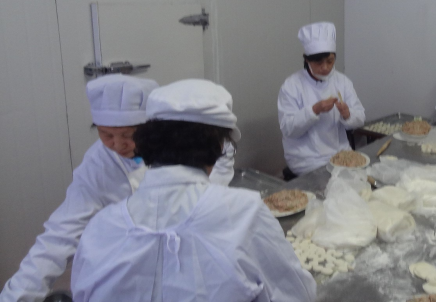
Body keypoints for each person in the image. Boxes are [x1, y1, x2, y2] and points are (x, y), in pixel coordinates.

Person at [71, 79, 315, 302]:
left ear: (146, 142)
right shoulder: (245, 213)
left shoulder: (99, 229)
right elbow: (296, 294)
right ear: (219, 146)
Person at [1, 75, 235, 302]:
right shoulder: (98, 164)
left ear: (151, 129)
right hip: (131, 262)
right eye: (106, 134)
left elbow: (217, 174)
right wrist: (17, 295)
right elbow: (59, 235)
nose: (118, 144)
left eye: (128, 135)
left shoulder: (185, 147)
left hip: (190, 249)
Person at [278, 22, 365, 177]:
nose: (325, 67)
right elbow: (288, 129)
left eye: (330, 61)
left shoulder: (342, 81)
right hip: (306, 158)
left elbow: (360, 118)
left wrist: (347, 114)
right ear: (306, 60)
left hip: (341, 154)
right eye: (318, 62)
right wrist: (314, 110)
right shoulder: (292, 85)